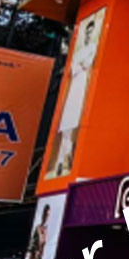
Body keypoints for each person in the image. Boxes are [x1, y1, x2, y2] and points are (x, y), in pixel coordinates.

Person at [49, 15, 99, 178]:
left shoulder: (92, 47)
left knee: (75, 123)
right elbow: (73, 68)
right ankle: (62, 160)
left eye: (91, 32)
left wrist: (79, 65)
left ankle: (67, 159)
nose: (89, 35)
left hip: (82, 86)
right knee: (66, 125)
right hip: (74, 86)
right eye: (87, 32)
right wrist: (78, 65)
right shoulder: (79, 50)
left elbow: (84, 64)